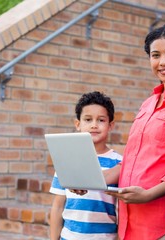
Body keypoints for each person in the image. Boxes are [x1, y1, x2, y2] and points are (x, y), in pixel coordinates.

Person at [106, 24, 165, 239]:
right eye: (155, 55)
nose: (163, 62)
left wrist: (148, 195)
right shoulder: (148, 103)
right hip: (126, 221)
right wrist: (92, 181)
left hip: (161, 224)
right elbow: (131, 159)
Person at [49, 91, 122, 240]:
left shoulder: (119, 162)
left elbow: (122, 210)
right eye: (88, 120)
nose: (94, 125)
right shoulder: (67, 160)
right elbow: (57, 207)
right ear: (78, 124)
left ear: (111, 125)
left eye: (101, 120)